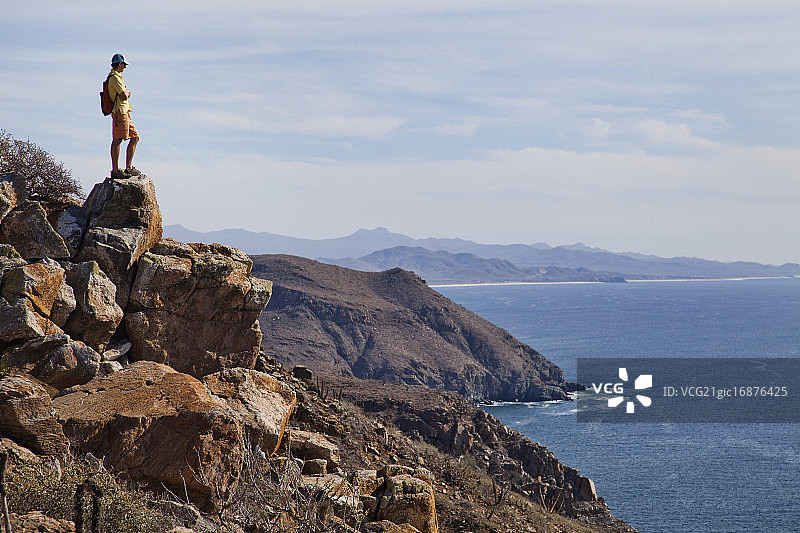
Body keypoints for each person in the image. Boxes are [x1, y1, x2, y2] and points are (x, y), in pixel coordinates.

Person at [107, 53, 140, 178]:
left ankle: (128, 168)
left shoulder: (117, 77)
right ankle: (116, 170)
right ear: (119, 64)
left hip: (124, 111)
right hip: (120, 112)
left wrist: (126, 91)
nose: (124, 67)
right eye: (123, 65)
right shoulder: (114, 78)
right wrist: (127, 91)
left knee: (135, 137)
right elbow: (124, 95)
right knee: (117, 140)